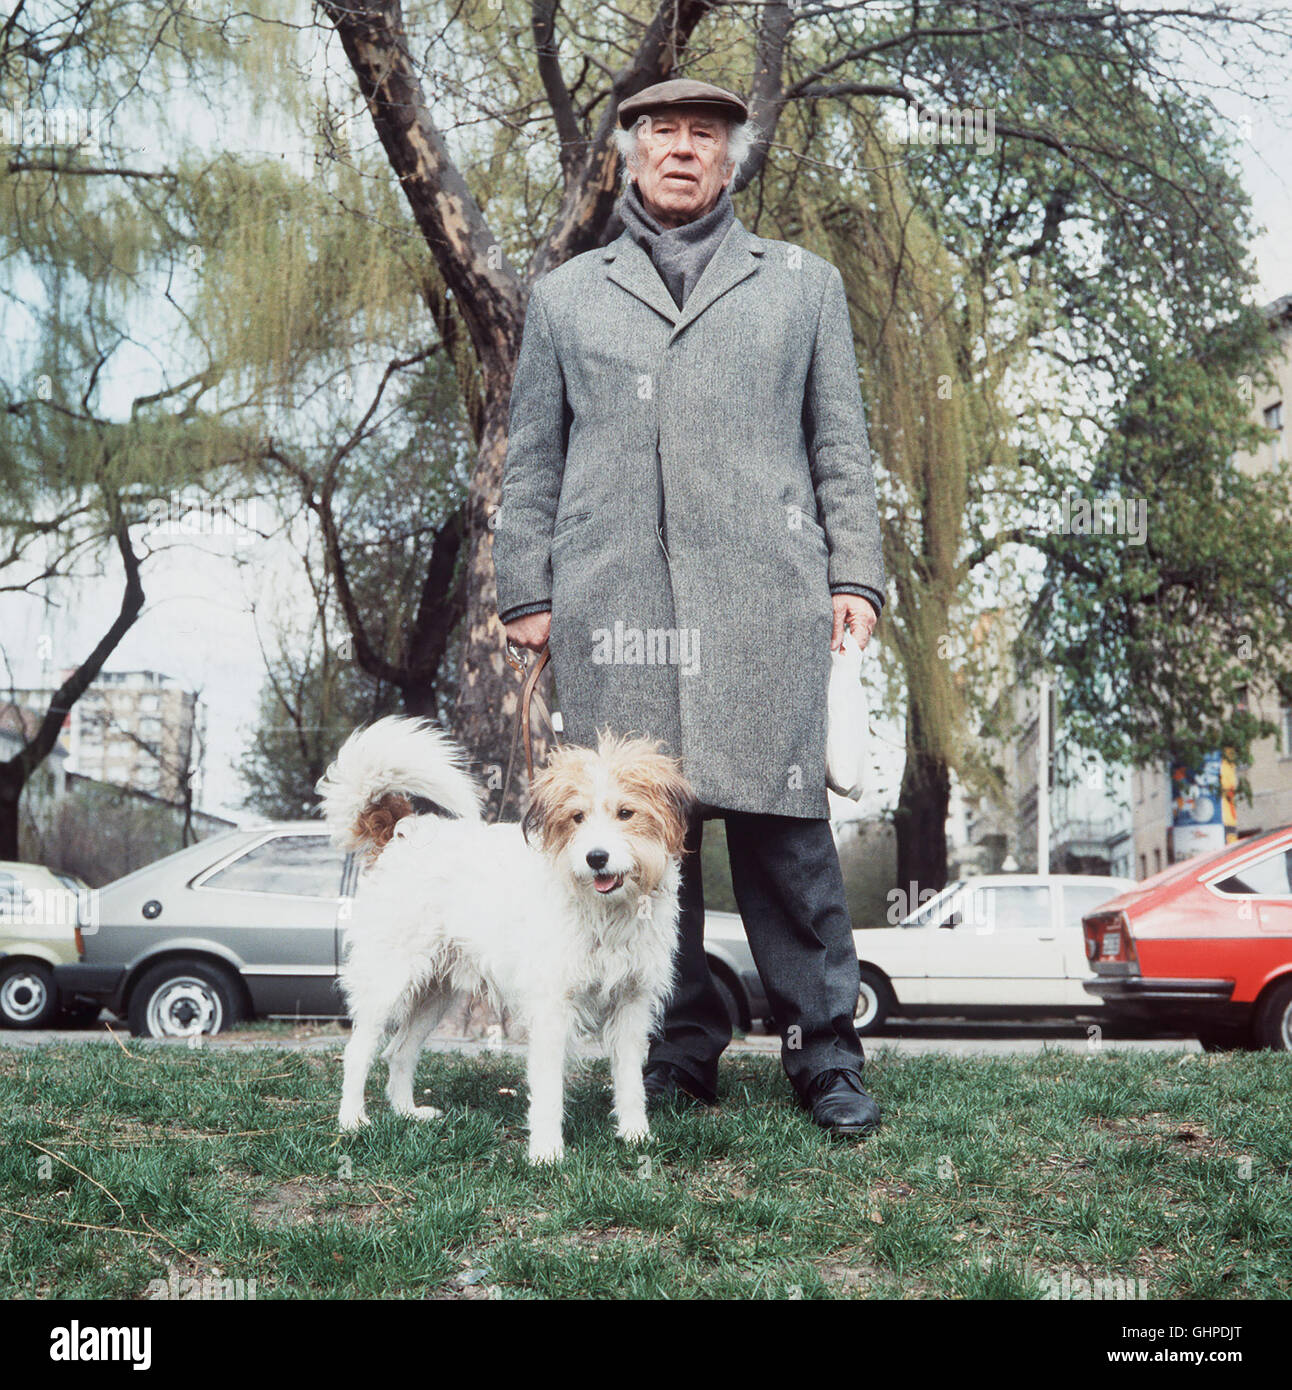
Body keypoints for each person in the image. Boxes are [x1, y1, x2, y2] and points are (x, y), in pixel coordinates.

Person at [494, 78, 886, 1135]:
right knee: (639, 841)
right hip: (613, 604)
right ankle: (673, 1052)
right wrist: (525, 585)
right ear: (626, 154)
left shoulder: (803, 286)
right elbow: (531, 457)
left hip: (766, 604)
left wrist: (855, 576)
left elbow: (839, 448)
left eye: (701, 135)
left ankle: (825, 1057)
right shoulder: (565, 297)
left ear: (730, 158)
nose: (679, 150)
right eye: (658, 132)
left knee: (788, 844)